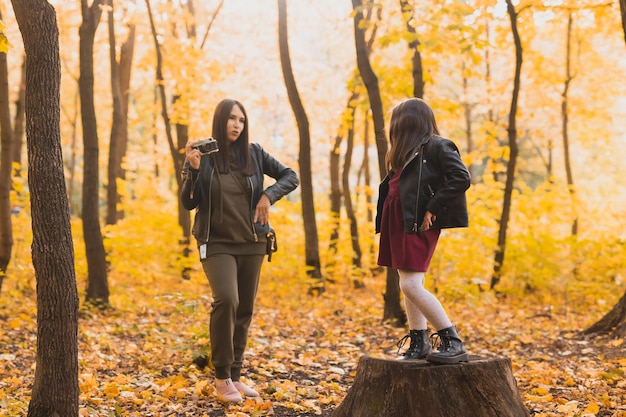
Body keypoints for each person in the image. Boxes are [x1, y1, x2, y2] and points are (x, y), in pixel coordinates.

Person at [181, 98, 299, 402]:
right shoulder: (201, 154)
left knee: (244, 308)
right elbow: (189, 202)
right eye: (232, 119)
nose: (237, 125)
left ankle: (235, 375)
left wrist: (268, 195)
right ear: (220, 121)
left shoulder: (255, 153)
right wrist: (194, 169)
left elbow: (290, 176)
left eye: (242, 120)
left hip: (253, 242)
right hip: (216, 242)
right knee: (227, 300)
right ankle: (221, 377)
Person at [375, 98, 471, 365]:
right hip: (398, 220)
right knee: (405, 283)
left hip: (419, 221)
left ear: (408, 121)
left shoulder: (438, 146)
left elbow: (461, 177)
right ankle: (419, 341)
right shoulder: (404, 154)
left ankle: (452, 339)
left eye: (395, 120)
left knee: (410, 284)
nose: (391, 126)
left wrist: (432, 207)